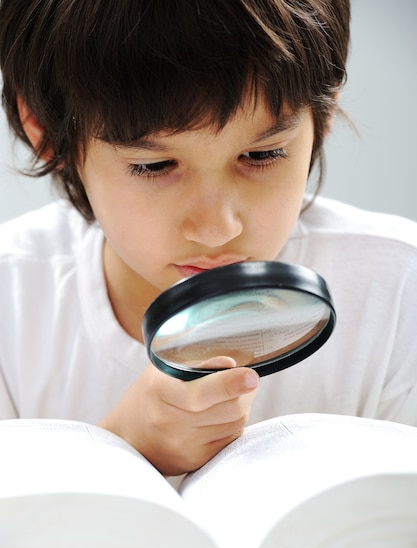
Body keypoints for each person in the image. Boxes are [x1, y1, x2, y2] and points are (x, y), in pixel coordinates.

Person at [0, 0, 416, 478]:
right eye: (155, 166)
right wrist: (119, 448)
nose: (219, 229)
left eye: (262, 155)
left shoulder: (401, 291)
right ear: (45, 132)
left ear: (322, 118)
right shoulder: (12, 307)